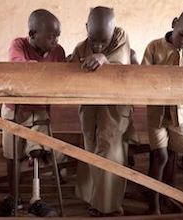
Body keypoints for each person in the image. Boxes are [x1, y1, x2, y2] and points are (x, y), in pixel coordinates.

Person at [141, 6, 183, 214]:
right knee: (160, 156)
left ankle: (168, 197)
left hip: (180, 113)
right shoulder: (154, 47)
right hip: (157, 113)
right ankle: (154, 204)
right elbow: (143, 77)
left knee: (173, 156)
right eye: (182, 35)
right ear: (174, 22)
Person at [0, 9, 65, 217]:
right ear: (33, 33)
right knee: (13, 154)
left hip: (40, 110)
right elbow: (20, 67)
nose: (55, 40)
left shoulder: (59, 51)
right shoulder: (18, 44)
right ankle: (14, 197)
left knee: (37, 151)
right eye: (50, 36)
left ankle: (36, 199)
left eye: (57, 36)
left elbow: (62, 77)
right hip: (15, 110)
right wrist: (42, 73)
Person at [70, 6, 133, 217]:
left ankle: (109, 206)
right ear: (87, 28)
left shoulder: (121, 36)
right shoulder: (81, 47)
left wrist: (104, 59)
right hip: (89, 108)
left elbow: (121, 61)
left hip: (114, 109)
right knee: (91, 148)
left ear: (113, 30)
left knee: (110, 150)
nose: (97, 46)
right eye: (93, 39)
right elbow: (71, 71)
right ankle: (93, 199)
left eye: (103, 42)